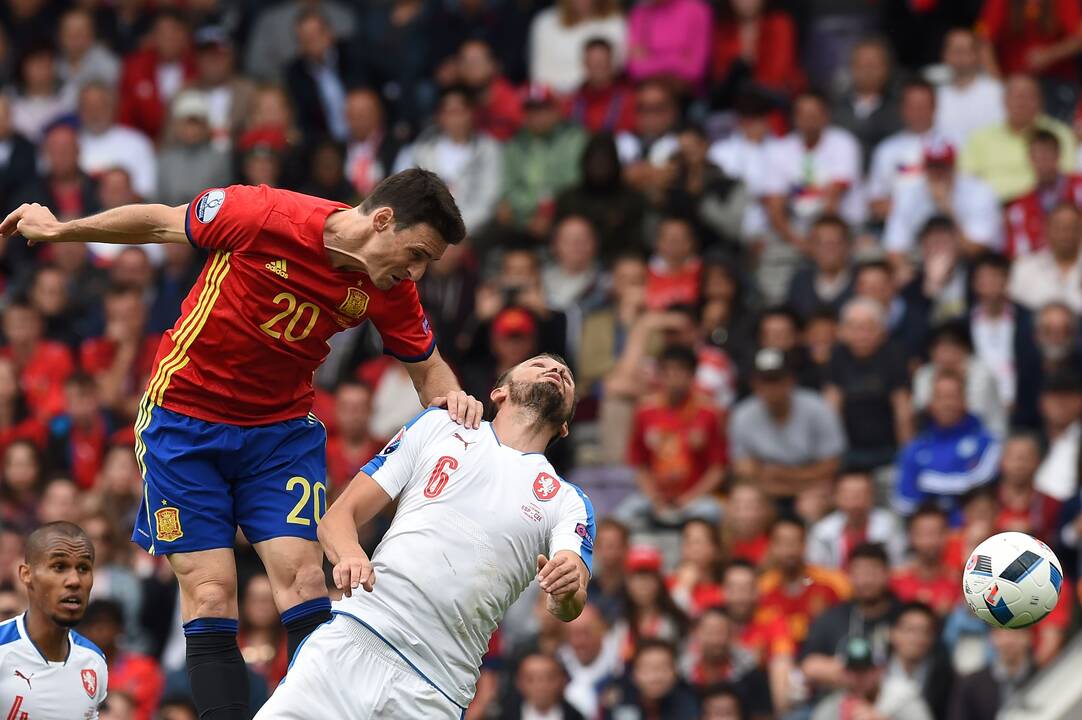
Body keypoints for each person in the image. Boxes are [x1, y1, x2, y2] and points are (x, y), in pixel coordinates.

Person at [0, 169, 483, 720]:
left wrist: (456, 406)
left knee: (304, 581)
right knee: (210, 592)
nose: (417, 271)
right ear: (382, 220)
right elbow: (160, 224)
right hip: (185, 420)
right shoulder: (263, 214)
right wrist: (62, 230)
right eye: (417, 253)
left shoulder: (390, 286)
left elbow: (428, 369)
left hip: (279, 434)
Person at [256, 354, 593, 718]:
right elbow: (338, 518)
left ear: (565, 428)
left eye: (567, 377)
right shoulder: (441, 426)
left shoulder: (568, 501)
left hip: (436, 687)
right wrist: (351, 554)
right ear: (499, 393)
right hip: (355, 637)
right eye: (539, 365)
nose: (556, 371)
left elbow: (570, 599)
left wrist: (565, 591)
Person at [0, 522, 107, 718]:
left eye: (83, 568)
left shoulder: (94, 661)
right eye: (59, 567)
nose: (74, 580)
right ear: (26, 574)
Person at [619, 345, 725, 529]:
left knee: (713, 512)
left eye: (680, 371)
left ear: (693, 375)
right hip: (653, 498)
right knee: (621, 518)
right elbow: (639, 464)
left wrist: (688, 500)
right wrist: (654, 498)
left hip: (695, 499)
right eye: (668, 371)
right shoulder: (645, 411)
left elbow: (718, 469)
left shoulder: (709, 412)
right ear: (659, 375)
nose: (674, 377)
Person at [728, 348, 846, 502]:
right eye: (765, 381)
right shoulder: (742, 415)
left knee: (814, 502)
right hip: (766, 491)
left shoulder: (818, 407)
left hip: (813, 488)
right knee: (745, 500)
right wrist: (789, 484)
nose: (772, 388)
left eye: (777, 380)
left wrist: (784, 475)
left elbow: (832, 464)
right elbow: (744, 469)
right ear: (754, 384)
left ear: (791, 380)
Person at [894, 371, 1001, 523]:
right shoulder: (914, 449)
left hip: (974, 532)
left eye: (952, 396)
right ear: (930, 403)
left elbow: (977, 481)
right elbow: (905, 503)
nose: (946, 404)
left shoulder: (987, 442)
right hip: (931, 537)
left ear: (964, 400)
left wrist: (927, 481)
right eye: (940, 397)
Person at [801, 543, 902, 695]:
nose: (866, 580)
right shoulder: (832, 617)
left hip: (890, 700)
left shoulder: (904, 617)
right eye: (859, 573)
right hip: (839, 698)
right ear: (849, 576)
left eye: (873, 572)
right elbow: (808, 665)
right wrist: (855, 678)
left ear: (888, 574)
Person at [960, 74, 1074, 202]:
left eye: (1028, 96)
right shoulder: (979, 137)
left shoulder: (1059, 133)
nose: (1022, 102)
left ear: (1041, 101)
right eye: (1017, 96)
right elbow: (966, 181)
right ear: (1004, 100)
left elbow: (1067, 178)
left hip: (1043, 209)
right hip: (992, 210)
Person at [883, 138, 1002, 258]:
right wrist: (904, 270)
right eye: (932, 167)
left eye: (942, 166)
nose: (937, 173)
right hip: (922, 261)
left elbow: (976, 249)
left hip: (969, 263)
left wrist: (946, 208)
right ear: (925, 167)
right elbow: (894, 246)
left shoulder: (978, 191)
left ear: (954, 166)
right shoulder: (909, 192)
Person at [811, 635, 933, 720]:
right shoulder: (832, 705)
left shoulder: (902, 697)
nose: (856, 678)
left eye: (863, 670)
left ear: (879, 670)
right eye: (850, 671)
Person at [1003, 130, 1082, 258]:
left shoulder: (1079, 186)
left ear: (1058, 155)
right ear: (1029, 160)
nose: (1042, 163)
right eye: (1037, 157)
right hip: (1041, 268)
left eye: (1046, 156)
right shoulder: (1019, 207)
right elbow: (1017, 254)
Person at [807, 471, 906, 570]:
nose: (855, 501)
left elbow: (898, 565)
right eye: (849, 495)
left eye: (861, 494)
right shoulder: (822, 530)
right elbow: (816, 569)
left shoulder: (889, 524)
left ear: (872, 496)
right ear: (836, 497)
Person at [935, 29, 1004, 147]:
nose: (961, 56)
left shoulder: (997, 91)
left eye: (967, 51)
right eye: (956, 51)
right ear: (945, 55)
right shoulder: (936, 97)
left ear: (977, 55)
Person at [947, 626, 1035, 720]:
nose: (1009, 641)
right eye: (1003, 634)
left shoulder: (1043, 678)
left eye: (1017, 634)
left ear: (1029, 637)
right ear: (992, 638)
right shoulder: (972, 684)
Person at [1008, 202, 1082, 313]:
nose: (1065, 234)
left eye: (1071, 227)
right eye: (1059, 227)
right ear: (1047, 230)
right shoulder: (1024, 268)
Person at [601, 639, 700, 720]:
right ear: (634, 674)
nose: (655, 676)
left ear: (675, 673)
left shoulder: (689, 701)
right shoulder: (617, 698)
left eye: (663, 668)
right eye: (647, 668)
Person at [501, 653, 586, 720]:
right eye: (531, 679)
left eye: (549, 678)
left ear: (562, 681)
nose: (540, 686)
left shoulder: (576, 716)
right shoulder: (503, 715)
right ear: (519, 682)